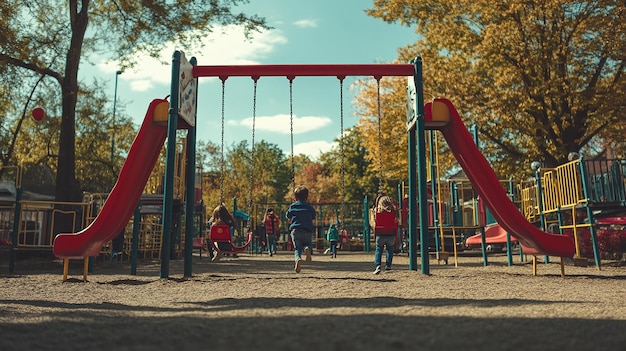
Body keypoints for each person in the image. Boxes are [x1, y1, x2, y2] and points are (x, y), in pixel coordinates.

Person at [286, 185, 316, 273]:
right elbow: (313, 216)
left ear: (295, 197)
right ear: (307, 197)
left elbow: (288, 215)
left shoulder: (293, 206)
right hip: (307, 230)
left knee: (297, 248)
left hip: (295, 230)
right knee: (308, 244)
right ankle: (307, 249)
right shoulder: (309, 206)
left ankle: (298, 258)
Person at [370, 194, 398, 274]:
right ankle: (388, 265)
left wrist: (373, 214)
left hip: (380, 234)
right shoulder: (393, 212)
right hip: (391, 234)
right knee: (390, 250)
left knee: (379, 250)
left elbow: (373, 223)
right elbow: (396, 222)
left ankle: (378, 266)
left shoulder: (377, 212)